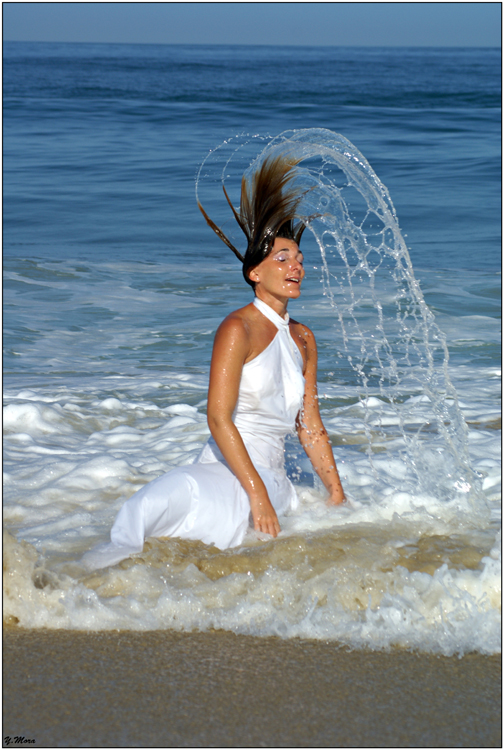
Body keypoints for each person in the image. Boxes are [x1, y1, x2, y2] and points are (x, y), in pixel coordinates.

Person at [82, 152, 345, 571]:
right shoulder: (237, 328)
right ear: (254, 273)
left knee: (226, 540)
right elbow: (218, 418)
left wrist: (336, 495)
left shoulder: (303, 338)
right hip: (228, 467)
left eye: (298, 258)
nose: (295, 265)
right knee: (152, 505)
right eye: (282, 258)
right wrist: (255, 492)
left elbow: (309, 425)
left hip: (272, 477)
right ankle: (76, 581)